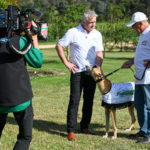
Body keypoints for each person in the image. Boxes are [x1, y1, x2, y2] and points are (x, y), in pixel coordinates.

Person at [56, 9, 104, 141]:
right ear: (83, 21)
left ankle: (85, 127)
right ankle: (71, 130)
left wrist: (98, 67)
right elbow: (59, 45)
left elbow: (99, 53)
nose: (93, 25)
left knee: (89, 101)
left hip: (92, 72)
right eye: (90, 22)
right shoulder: (73, 32)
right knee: (74, 100)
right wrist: (66, 63)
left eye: (94, 22)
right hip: (77, 72)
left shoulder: (97, 35)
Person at [0, 21, 43, 150]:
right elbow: (37, 62)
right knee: (25, 137)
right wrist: (34, 37)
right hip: (20, 98)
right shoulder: (20, 41)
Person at [122, 12, 150, 144]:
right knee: (139, 104)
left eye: (134, 26)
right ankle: (143, 130)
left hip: (148, 77)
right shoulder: (142, 35)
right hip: (140, 77)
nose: (133, 29)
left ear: (140, 23)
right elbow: (143, 53)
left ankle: (149, 135)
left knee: (149, 105)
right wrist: (131, 61)